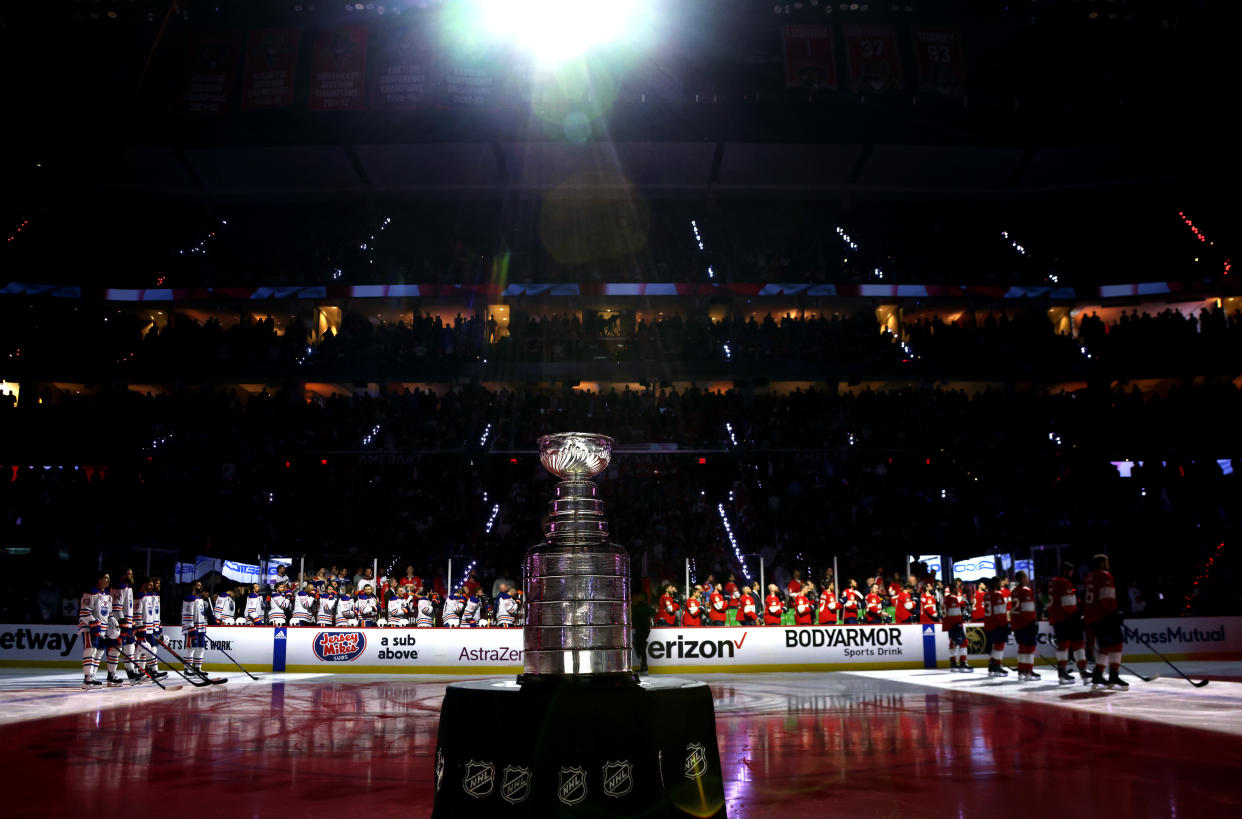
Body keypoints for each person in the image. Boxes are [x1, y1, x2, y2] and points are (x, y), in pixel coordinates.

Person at [1084, 554, 1127, 690]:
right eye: (1107, 562)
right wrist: (1115, 612)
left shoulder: (1090, 576)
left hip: (1093, 616)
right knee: (1116, 642)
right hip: (1104, 615)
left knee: (1105, 645)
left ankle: (1100, 674)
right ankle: (1110, 674)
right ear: (1102, 564)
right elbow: (1106, 597)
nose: (1108, 565)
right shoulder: (1105, 575)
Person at [79, 572, 111, 689]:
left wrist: (113, 625)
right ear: (99, 579)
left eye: (109, 578)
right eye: (106, 578)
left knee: (100, 651)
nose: (108, 580)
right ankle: (87, 679)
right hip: (89, 629)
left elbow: (108, 613)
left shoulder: (107, 595)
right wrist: (93, 622)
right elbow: (84, 612)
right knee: (90, 650)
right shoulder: (90, 592)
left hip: (102, 629)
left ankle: (92, 676)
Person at [110, 568, 140, 681]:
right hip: (119, 624)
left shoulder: (129, 589)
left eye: (132, 573)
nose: (131, 575)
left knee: (130, 647)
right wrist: (123, 621)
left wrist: (132, 623)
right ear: (122, 575)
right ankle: (111, 674)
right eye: (128, 574)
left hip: (128, 624)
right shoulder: (119, 587)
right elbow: (117, 607)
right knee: (116, 648)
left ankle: (131, 671)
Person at [1010, 571, 1040, 681]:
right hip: (1026, 623)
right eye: (1026, 576)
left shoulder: (1014, 591)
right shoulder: (1026, 591)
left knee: (1022, 647)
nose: (1027, 578)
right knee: (1030, 647)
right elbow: (1028, 609)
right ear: (1022, 578)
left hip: (1017, 623)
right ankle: (1028, 671)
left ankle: (1021, 671)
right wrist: (1033, 622)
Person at [984, 576, 1010, 678]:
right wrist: (1005, 624)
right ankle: (997, 666)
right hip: (997, 624)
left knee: (996, 646)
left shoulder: (986, 595)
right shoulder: (997, 594)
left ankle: (992, 666)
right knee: (999, 646)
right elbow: (1000, 612)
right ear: (996, 584)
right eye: (999, 583)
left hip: (989, 624)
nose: (1001, 585)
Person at [943, 579, 971, 672]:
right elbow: (954, 613)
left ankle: (953, 662)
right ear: (953, 589)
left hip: (951, 624)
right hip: (955, 624)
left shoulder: (947, 598)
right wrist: (958, 624)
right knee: (964, 642)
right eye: (956, 588)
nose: (958, 590)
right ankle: (963, 662)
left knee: (953, 642)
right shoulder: (952, 598)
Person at [181, 581, 208, 676]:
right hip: (192, 628)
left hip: (200, 628)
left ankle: (197, 668)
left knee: (201, 648)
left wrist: (203, 627)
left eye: (201, 585)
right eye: (198, 585)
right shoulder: (189, 598)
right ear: (193, 587)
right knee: (190, 648)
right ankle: (187, 669)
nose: (200, 587)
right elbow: (187, 614)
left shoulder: (200, 599)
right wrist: (191, 627)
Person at [632, 593, 655, 673]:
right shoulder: (639, 607)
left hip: (643, 630)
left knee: (640, 646)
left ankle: (644, 665)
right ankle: (643, 665)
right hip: (641, 629)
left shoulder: (642, 607)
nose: (638, 597)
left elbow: (652, 612)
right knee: (640, 646)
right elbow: (652, 612)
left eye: (639, 596)